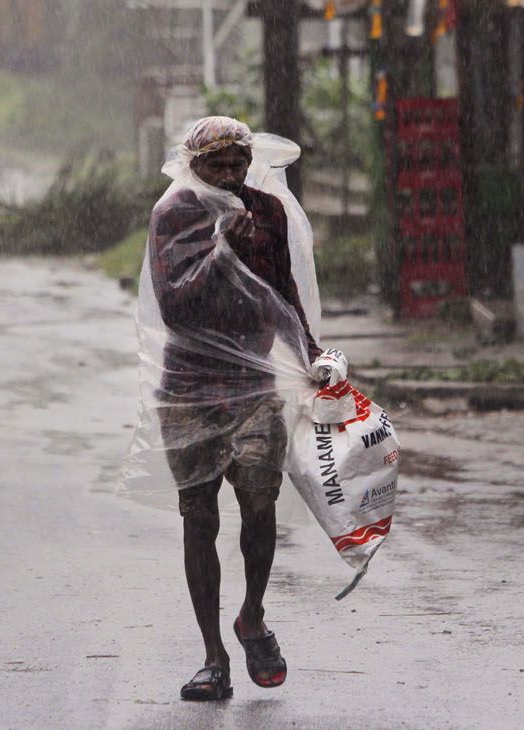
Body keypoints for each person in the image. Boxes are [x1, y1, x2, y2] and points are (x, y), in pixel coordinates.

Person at [143, 117, 333, 702]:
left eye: (237, 164)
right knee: (199, 515)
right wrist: (224, 245)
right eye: (216, 165)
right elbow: (176, 305)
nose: (228, 176)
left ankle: (251, 614)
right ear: (193, 164)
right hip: (190, 390)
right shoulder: (175, 215)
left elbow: (283, 294)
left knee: (259, 502)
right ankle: (212, 656)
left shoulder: (268, 213)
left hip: (253, 383)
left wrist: (312, 352)